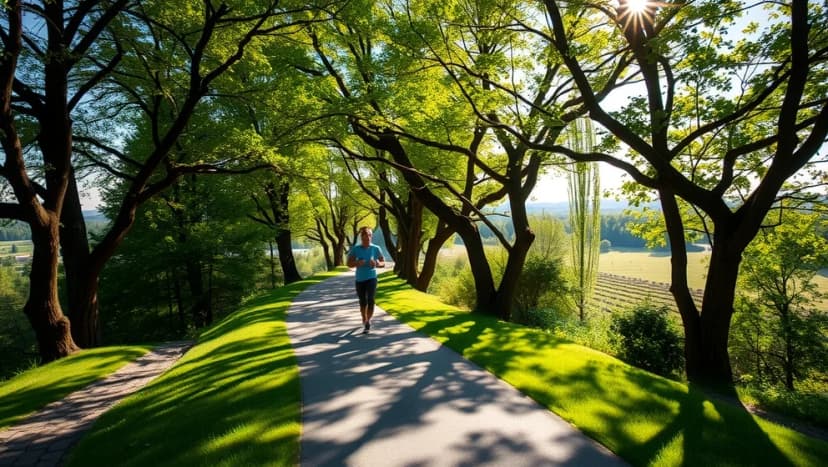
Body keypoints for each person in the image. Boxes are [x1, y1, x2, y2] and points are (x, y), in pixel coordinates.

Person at [347, 226, 385, 333]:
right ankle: (364, 317)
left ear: (371, 237)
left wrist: (377, 263)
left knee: (371, 300)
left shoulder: (376, 248)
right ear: (361, 238)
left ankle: (368, 321)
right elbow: (349, 264)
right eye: (365, 238)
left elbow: (383, 263)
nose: (367, 240)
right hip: (360, 279)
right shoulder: (356, 249)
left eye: (369, 237)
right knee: (363, 301)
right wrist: (357, 263)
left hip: (372, 278)